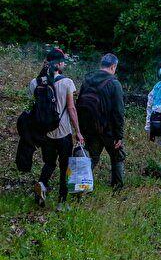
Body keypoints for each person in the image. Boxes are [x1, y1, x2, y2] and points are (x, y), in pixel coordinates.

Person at [28, 48, 84, 209]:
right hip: (63, 132)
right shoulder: (67, 83)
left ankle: (42, 184)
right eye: (63, 62)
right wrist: (78, 132)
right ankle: (62, 201)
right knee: (64, 166)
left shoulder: (35, 83)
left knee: (49, 163)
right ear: (59, 64)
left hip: (45, 133)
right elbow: (71, 109)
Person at [78, 53, 125, 190]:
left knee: (92, 158)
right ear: (113, 66)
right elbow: (118, 112)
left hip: (90, 128)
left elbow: (79, 104)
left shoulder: (87, 80)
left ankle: (80, 185)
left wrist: (81, 130)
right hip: (108, 129)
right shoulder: (114, 83)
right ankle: (117, 188)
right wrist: (119, 135)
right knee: (117, 157)